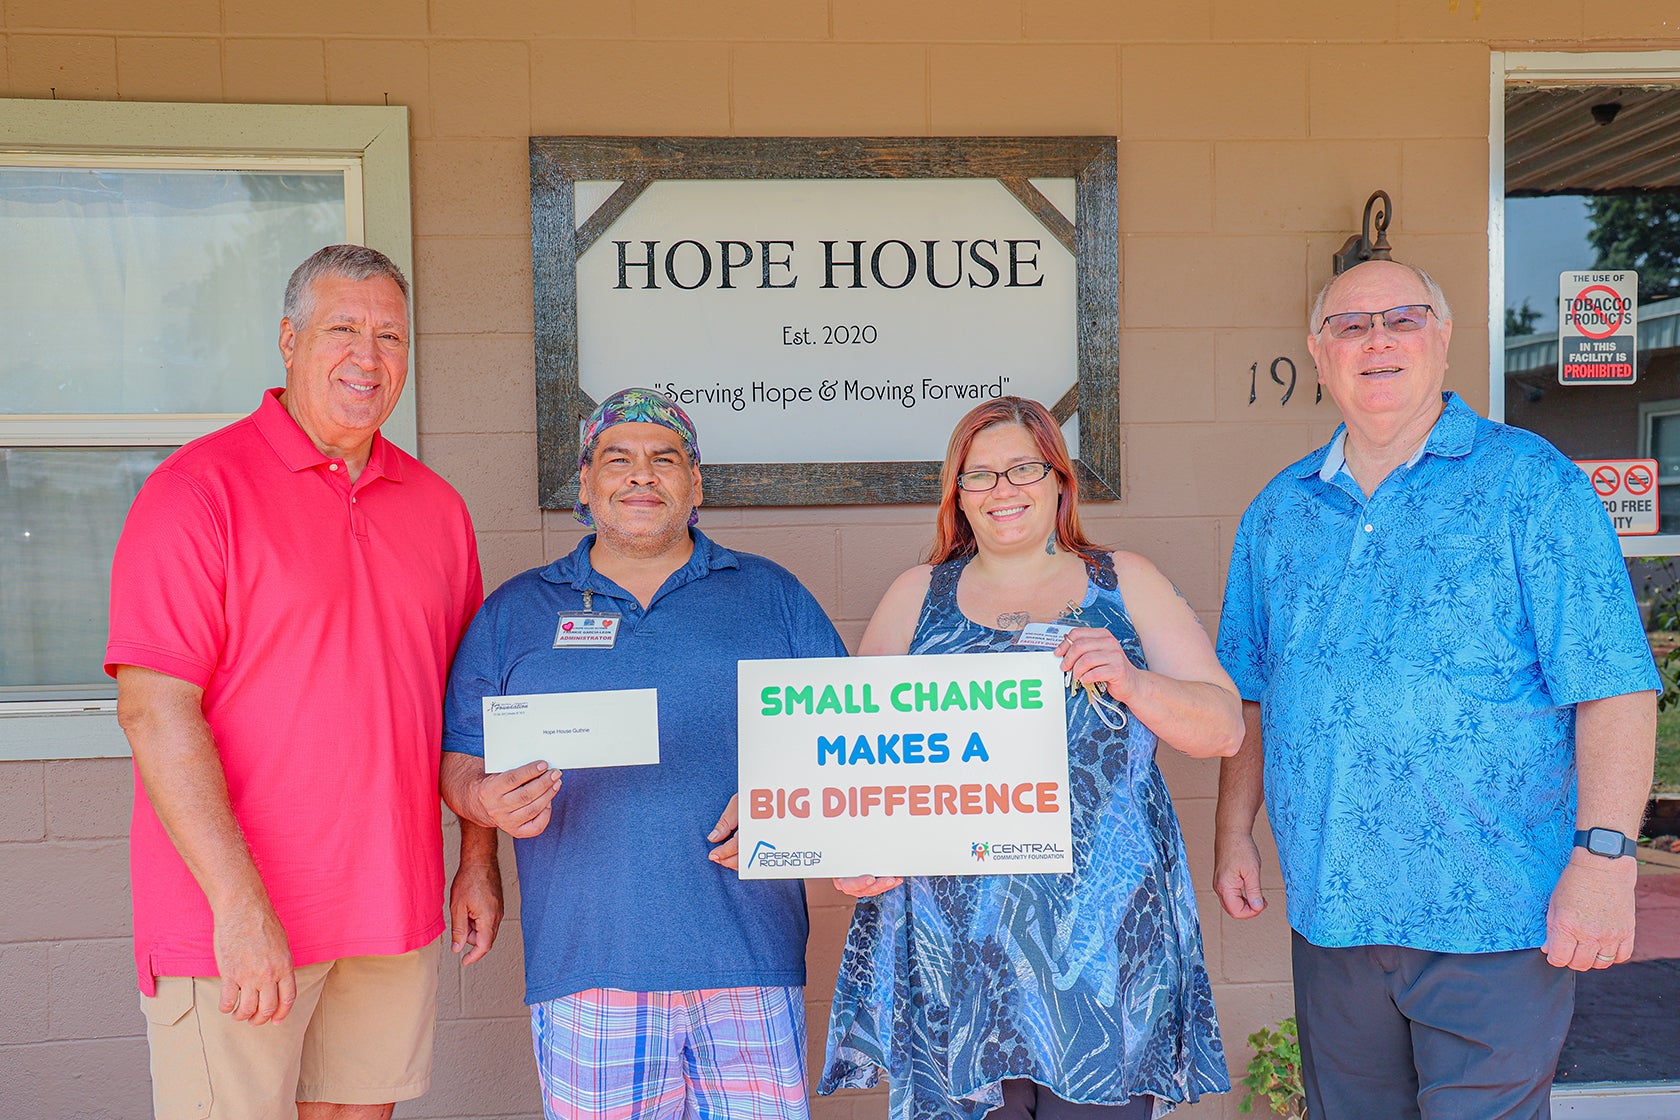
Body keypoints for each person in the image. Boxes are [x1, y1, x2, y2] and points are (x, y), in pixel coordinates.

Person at [1213, 259, 1661, 1120]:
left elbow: (1614, 684)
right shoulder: (1279, 511)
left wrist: (1604, 858)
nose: (1376, 339)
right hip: (1333, 914)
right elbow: (1255, 691)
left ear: (1444, 338)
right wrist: (1236, 830)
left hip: (1494, 912)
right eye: (1350, 325)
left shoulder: (1533, 484)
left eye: (1403, 319)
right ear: (1318, 353)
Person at [106, 244, 501, 1120]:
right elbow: (153, 710)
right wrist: (241, 908)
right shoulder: (196, 492)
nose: (369, 357)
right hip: (235, 919)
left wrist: (477, 858)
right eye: (343, 330)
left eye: (390, 336)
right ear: (289, 341)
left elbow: (470, 710)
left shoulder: (437, 508)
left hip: (391, 908)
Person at [819, 396, 1241, 1120]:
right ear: (958, 494)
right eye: (979, 475)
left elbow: (1224, 726)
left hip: (1103, 951)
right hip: (954, 955)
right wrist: (848, 855)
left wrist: (1135, 682)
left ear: (1058, 480)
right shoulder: (916, 596)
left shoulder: (1122, 582)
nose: (1002, 489)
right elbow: (856, 763)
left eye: (1022, 468)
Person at [440, 387, 849, 1120]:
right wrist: (480, 815)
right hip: (589, 967)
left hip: (748, 960)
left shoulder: (771, 596)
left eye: (664, 459)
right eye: (617, 458)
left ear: (695, 484)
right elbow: (464, 759)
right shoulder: (516, 611)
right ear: (587, 484)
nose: (640, 475)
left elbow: (846, 748)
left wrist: (792, 817)